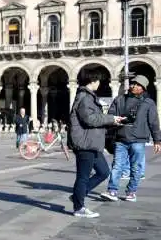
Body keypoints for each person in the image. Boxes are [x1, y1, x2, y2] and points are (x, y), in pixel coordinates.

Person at [68, 69, 125, 218]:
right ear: (92, 81)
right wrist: (111, 118)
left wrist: (113, 121)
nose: (99, 83)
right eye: (98, 80)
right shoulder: (84, 97)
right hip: (85, 143)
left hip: (92, 143)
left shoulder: (89, 97)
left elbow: (95, 118)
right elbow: (90, 119)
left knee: (103, 172)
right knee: (83, 176)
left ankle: (77, 196)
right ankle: (78, 207)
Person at [101, 75, 161, 202]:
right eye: (133, 83)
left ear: (143, 88)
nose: (134, 86)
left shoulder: (148, 103)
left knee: (136, 167)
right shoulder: (120, 99)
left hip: (138, 140)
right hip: (121, 138)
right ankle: (112, 190)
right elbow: (111, 115)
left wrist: (157, 140)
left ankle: (131, 192)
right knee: (117, 165)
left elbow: (154, 122)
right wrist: (114, 120)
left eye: (138, 85)